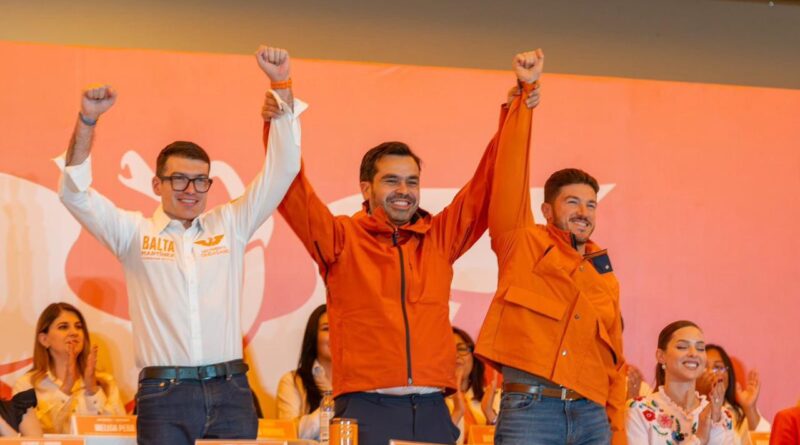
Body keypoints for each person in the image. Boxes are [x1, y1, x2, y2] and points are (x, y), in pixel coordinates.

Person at [261, 50, 540, 445]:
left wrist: (518, 107)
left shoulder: (438, 238)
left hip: (431, 411)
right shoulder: (340, 239)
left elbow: (487, 183)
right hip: (365, 410)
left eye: (412, 181)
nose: (404, 191)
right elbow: (291, 189)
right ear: (366, 188)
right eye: (391, 181)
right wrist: (282, 99)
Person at [57, 45, 302, 445]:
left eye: (201, 180)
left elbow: (284, 168)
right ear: (157, 184)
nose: (191, 189)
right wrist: (87, 121)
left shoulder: (231, 223)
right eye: (179, 179)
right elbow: (74, 193)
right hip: (164, 394)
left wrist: (282, 84)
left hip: (231, 389)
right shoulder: (133, 233)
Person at [473, 50, 626, 445]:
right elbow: (509, 173)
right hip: (532, 412)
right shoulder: (522, 242)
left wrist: (618, 433)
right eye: (572, 202)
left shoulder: (604, 277)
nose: (584, 212)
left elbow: (615, 364)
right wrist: (525, 97)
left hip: (592, 415)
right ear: (547, 210)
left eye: (591, 204)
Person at [13, 302, 124, 434]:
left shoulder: (106, 382)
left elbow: (121, 433)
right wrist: (66, 388)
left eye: (78, 327)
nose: (74, 333)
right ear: (44, 340)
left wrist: (92, 391)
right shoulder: (26, 386)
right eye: (63, 327)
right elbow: (33, 436)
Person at [627, 320, 735, 444]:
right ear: (661, 356)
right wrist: (699, 439)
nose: (694, 353)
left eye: (700, 348)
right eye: (682, 347)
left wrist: (715, 422)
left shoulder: (722, 416)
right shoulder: (640, 409)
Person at [276, 304, 332, 439]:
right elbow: (290, 434)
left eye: (340, 328)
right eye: (327, 329)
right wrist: (333, 404)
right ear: (313, 336)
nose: (335, 335)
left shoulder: (361, 384)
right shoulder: (292, 382)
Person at [697, 344, 770, 445]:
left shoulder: (738, 414)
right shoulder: (685, 411)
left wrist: (750, 409)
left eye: (718, 367)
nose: (711, 373)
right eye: (704, 367)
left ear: (728, 375)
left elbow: (765, 442)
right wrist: (702, 396)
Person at [447, 327, 490, 444]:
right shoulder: (430, 403)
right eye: (449, 350)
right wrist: (457, 412)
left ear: (473, 357)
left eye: (461, 348)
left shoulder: (494, 398)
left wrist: (490, 415)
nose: (456, 355)